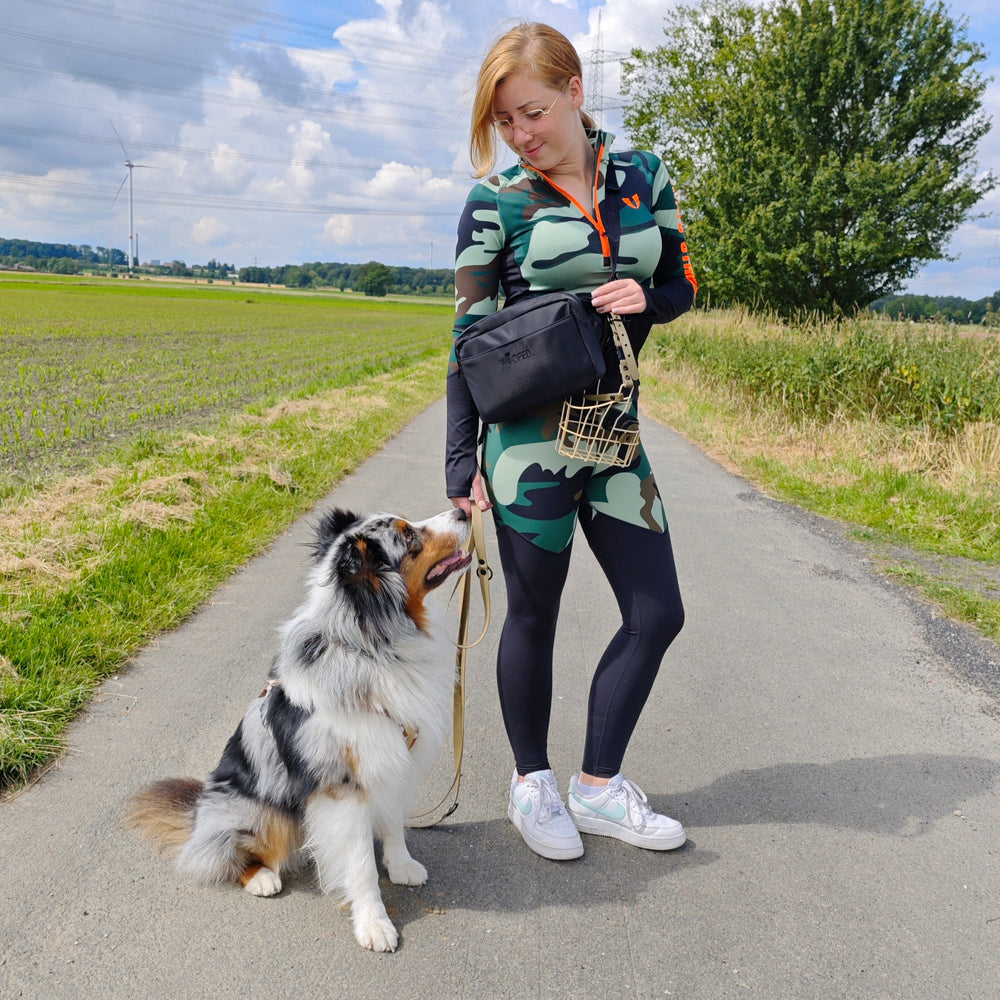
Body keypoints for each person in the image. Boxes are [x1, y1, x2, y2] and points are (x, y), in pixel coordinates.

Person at [446, 22, 697, 861]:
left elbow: (683, 281)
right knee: (535, 615)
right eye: (506, 122)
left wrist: (646, 300)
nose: (521, 136)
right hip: (529, 447)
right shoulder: (497, 201)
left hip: (616, 436)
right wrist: (461, 463)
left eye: (532, 113)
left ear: (575, 92)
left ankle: (597, 787)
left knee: (657, 613)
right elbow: (469, 340)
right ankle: (531, 784)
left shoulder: (644, 174)